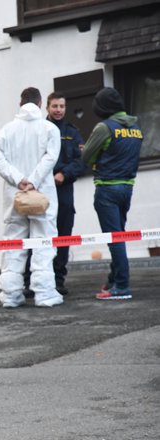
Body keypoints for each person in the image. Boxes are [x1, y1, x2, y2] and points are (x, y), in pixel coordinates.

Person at [0, 87, 63, 308]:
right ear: (41, 103)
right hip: (42, 194)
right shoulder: (50, 129)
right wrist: (33, 180)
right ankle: (45, 294)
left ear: (20, 103)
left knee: (13, 243)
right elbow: (51, 158)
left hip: (15, 195)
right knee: (44, 242)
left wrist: (19, 179)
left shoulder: (5, 131)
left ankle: (11, 295)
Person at [81, 87, 143, 300]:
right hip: (127, 188)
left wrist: (90, 154)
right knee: (119, 236)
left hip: (107, 189)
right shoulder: (136, 126)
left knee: (115, 240)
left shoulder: (104, 127)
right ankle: (114, 280)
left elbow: (87, 157)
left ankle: (122, 286)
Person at [23, 92, 86, 297]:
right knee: (36, 234)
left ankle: (58, 280)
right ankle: (30, 281)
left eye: (62, 106)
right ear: (46, 108)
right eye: (54, 106)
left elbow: (81, 161)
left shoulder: (72, 132)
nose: (58, 110)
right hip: (40, 190)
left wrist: (64, 174)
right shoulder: (38, 130)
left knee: (62, 235)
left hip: (63, 189)